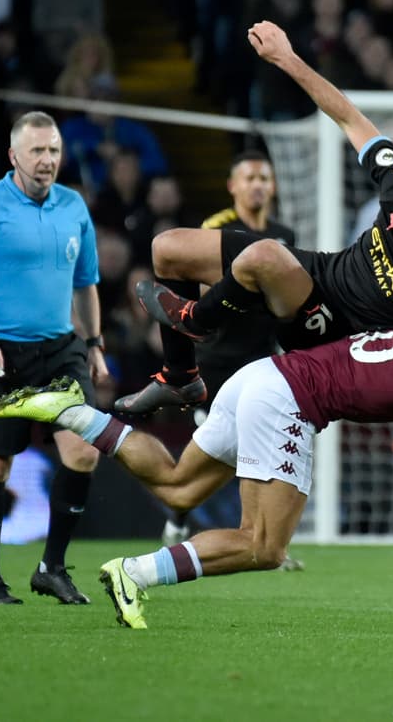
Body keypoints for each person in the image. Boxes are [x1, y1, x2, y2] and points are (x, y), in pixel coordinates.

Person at [0, 322, 393, 629]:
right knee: (265, 546)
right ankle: (133, 573)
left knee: (178, 483)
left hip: (262, 376)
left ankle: (67, 410)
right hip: (289, 402)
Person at [125, 20, 393, 447]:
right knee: (167, 249)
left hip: (330, 333)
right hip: (316, 273)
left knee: (265, 254)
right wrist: (287, 58)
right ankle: (180, 377)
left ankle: (197, 320)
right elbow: (347, 115)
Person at [0, 110, 108, 605]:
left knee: (84, 452)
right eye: (36, 151)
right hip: (1, 351)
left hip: (61, 350)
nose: (47, 160)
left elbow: (86, 283)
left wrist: (95, 345)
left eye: (53, 150)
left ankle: (51, 567)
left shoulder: (74, 206)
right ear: (14, 155)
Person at [116, 150, 297, 551]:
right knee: (211, 451)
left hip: (262, 359)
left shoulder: (285, 234)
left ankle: (262, 537)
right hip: (216, 364)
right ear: (232, 186)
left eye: (264, 178)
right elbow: (200, 293)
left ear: (273, 186)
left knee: (256, 447)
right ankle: (180, 516)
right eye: (249, 178)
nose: (257, 185)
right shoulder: (217, 228)